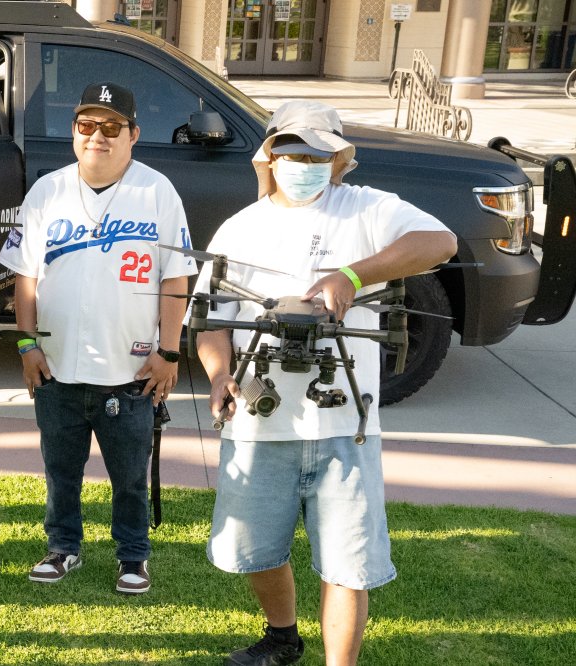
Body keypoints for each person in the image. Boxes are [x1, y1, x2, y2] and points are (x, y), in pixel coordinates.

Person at [195, 100, 456, 666]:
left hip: (345, 425)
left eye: (317, 153)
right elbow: (211, 319)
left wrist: (353, 275)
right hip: (259, 420)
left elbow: (442, 242)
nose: (303, 162)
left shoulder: (367, 209)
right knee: (254, 549)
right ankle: (283, 637)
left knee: (347, 563)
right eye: (291, 151)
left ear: (338, 161)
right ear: (270, 155)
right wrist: (219, 375)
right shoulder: (239, 228)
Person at [0, 82, 196, 595]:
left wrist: (169, 351)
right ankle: (63, 548)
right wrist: (25, 344)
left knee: (129, 476)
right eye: (87, 126)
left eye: (111, 128)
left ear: (133, 134)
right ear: (74, 133)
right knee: (59, 470)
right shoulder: (48, 191)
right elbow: (25, 276)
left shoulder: (158, 192)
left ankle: (133, 557)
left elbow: (176, 278)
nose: (98, 137)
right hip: (57, 365)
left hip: (129, 371)